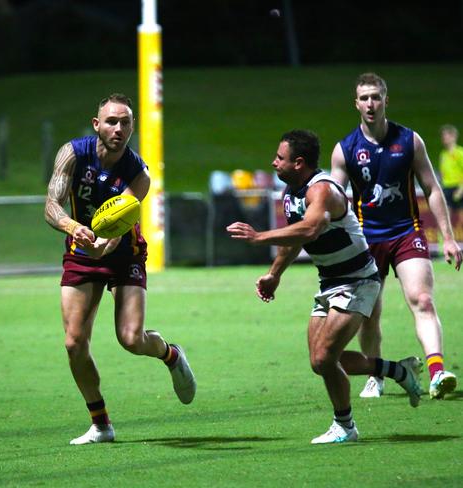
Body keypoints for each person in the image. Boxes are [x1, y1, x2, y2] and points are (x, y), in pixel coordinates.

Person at [227, 129, 422, 444]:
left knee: (323, 359)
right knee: (323, 361)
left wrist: (258, 237)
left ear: (299, 162)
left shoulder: (323, 191)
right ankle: (398, 371)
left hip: (358, 281)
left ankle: (345, 426)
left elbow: (312, 227)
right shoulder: (291, 192)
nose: (273, 162)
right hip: (330, 282)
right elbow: (296, 238)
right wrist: (274, 274)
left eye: (280, 158)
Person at [44, 93, 196, 445]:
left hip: (123, 251)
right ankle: (101, 424)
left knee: (130, 339)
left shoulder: (138, 173)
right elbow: (51, 204)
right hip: (81, 248)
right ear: (96, 124)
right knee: (73, 342)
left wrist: (103, 243)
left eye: (125, 122)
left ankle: (171, 354)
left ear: (132, 127)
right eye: (111, 121)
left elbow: (118, 225)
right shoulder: (72, 154)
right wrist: (73, 228)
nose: (118, 128)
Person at [330, 73, 462, 400]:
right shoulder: (345, 149)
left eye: (376, 97)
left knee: (423, 299)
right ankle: (376, 375)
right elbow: (334, 200)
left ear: (386, 100)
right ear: (356, 103)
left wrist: (448, 237)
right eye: (364, 98)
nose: (371, 104)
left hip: (407, 232)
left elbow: (431, 188)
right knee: (369, 315)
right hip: (365, 241)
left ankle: (436, 372)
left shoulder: (409, 141)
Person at [438, 124, 463, 215]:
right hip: (447, 188)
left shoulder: (460, 152)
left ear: (453, 136)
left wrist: (461, 189)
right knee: (445, 216)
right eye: (442, 136)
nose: (443, 138)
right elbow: (442, 173)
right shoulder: (443, 155)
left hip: (458, 187)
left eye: (446, 135)